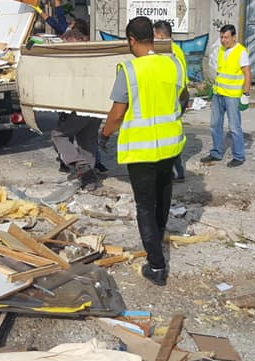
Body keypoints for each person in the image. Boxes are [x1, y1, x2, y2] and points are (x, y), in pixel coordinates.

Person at [99, 16, 188, 286]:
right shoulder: (172, 63)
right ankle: (157, 243)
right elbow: (183, 98)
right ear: (152, 36)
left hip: (141, 151)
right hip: (169, 146)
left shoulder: (129, 70)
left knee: (144, 206)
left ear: (131, 40)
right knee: (163, 197)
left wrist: (103, 135)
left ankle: (156, 266)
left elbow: (116, 114)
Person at [51, 18, 102, 191]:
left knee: (59, 135)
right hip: (96, 106)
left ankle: (79, 164)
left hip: (78, 105)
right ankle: (89, 181)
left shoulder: (69, 55)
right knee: (87, 142)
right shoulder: (93, 54)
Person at [200, 24, 250, 167]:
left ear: (234, 37)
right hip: (219, 94)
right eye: (221, 37)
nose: (223, 40)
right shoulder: (222, 50)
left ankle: (239, 156)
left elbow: (247, 73)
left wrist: (245, 95)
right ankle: (216, 152)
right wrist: (213, 88)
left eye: (226, 37)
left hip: (232, 96)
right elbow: (220, 72)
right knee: (215, 125)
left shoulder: (241, 52)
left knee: (234, 127)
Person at [153, 20, 187, 181]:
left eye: (154, 35)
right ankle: (171, 169)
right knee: (169, 134)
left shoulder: (170, 52)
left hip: (173, 97)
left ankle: (175, 171)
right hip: (177, 96)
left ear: (160, 35)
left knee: (169, 136)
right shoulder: (176, 50)